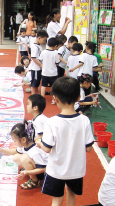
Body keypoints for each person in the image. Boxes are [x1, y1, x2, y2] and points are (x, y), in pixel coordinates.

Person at [36, 76, 94, 206]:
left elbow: (47, 148)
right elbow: (89, 148)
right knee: (71, 194)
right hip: (76, 170)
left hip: (56, 170)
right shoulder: (84, 120)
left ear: (55, 99)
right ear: (78, 98)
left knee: (56, 199)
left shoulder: (52, 122)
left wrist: (39, 143)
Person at [0, 122, 48, 190]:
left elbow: (44, 169)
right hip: (37, 166)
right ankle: (30, 170)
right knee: (16, 157)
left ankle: (35, 181)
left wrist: (28, 172)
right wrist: (2, 150)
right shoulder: (25, 145)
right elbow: (15, 151)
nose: (14, 143)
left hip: (44, 173)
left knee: (24, 158)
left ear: (23, 139)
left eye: (15, 141)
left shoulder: (35, 152)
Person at [39, 38, 60, 104]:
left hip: (45, 72)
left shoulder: (43, 52)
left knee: (43, 85)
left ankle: (42, 99)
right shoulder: (56, 53)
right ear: (55, 46)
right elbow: (57, 62)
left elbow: (40, 60)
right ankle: (53, 100)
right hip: (53, 73)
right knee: (53, 87)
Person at [29, 30, 48, 94]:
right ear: (39, 38)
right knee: (34, 83)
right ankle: (33, 96)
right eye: (44, 40)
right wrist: (40, 65)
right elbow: (33, 58)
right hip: (35, 68)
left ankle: (35, 95)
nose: (44, 42)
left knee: (37, 83)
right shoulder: (35, 46)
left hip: (38, 68)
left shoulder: (39, 45)